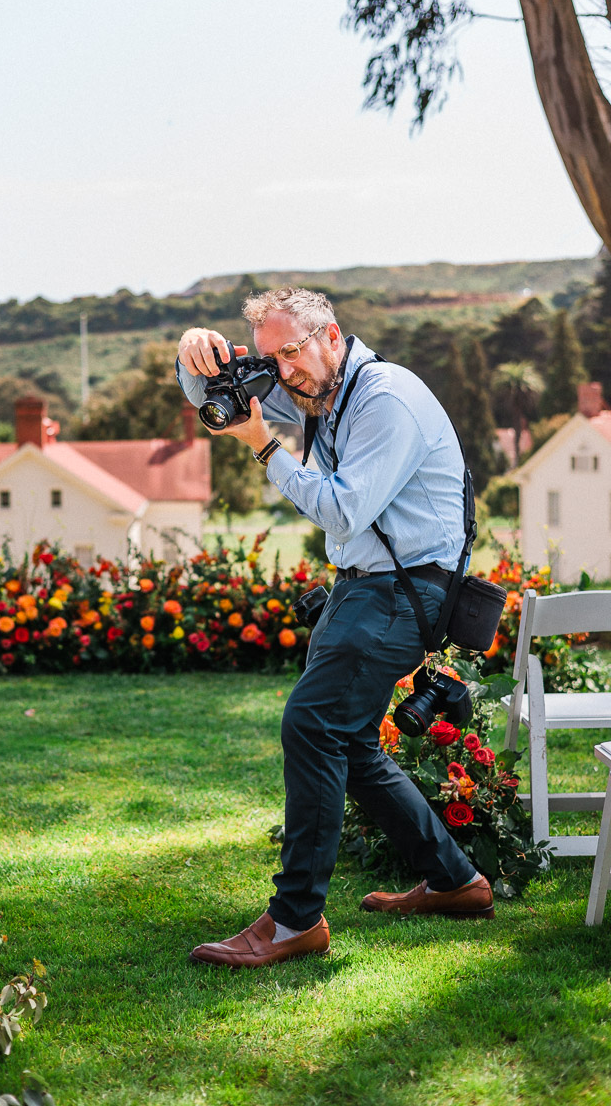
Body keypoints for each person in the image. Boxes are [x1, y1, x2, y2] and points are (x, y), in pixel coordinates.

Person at [176, 286, 494, 970]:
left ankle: (294, 921)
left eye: (291, 353)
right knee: (347, 744)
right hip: (366, 591)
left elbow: (343, 513)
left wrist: (266, 448)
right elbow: (220, 396)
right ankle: (456, 882)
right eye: (271, 358)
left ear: (331, 335)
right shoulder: (322, 389)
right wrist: (192, 353)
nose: (283, 372)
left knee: (312, 725)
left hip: (402, 592)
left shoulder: (384, 399)